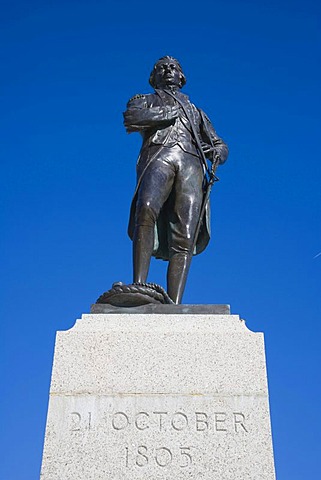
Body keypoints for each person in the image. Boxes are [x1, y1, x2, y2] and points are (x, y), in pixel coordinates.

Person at [123, 56, 228, 304]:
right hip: (159, 155)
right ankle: (139, 287)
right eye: (162, 68)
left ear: (181, 77)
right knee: (146, 209)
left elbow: (219, 143)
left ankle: (175, 302)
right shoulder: (145, 100)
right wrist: (171, 111)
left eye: (174, 68)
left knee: (185, 233)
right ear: (154, 77)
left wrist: (218, 153)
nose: (169, 71)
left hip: (191, 164)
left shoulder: (197, 112)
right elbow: (131, 119)